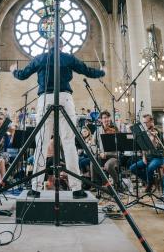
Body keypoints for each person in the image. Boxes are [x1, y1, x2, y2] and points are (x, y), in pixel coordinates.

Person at [11, 37, 105, 199]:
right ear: (62, 45)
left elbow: (23, 75)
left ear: (48, 45)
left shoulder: (40, 58)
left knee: (41, 143)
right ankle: (76, 189)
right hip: (65, 98)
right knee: (68, 143)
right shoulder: (68, 58)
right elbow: (86, 70)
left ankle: (35, 188)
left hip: (45, 99)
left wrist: (13, 70)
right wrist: (102, 71)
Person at [129, 113, 164, 193]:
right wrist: (144, 157)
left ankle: (149, 183)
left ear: (151, 121)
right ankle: (151, 181)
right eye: (144, 123)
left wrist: (154, 138)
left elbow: (158, 147)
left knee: (150, 167)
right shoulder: (144, 133)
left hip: (158, 157)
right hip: (148, 157)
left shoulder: (158, 132)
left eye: (146, 122)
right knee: (132, 168)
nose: (145, 124)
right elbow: (143, 146)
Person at [93, 111, 120, 188]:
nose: (106, 119)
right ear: (101, 120)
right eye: (104, 118)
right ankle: (98, 184)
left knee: (108, 166)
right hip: (102, 155)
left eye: (108, 117)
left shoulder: (115, 129)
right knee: (93, 162)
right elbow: (93, 144)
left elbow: (119, 144)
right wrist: (98, 152)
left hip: (113, 156)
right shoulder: (98, 130)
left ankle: (117, 183)